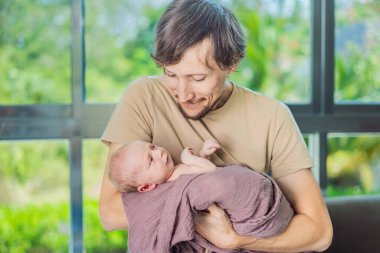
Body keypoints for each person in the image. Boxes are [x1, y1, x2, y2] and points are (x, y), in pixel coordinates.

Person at [99, 0, 333, 252]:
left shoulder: (272, 116)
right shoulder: (143, 97)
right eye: (171, 74)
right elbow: (110, 212)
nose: (183, 93)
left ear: (232, 63)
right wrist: (194, 210)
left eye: (197, 78)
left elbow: (319, 232)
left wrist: (237, 239)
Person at [108, 139, 220, 193]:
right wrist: (188, 159)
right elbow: (210, 169)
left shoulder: (175, 173)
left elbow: (201, 173)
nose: (159, 152)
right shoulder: (178, 176)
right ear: (147, 186)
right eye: (151, 160)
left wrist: (203, 154)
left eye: (153, 147)